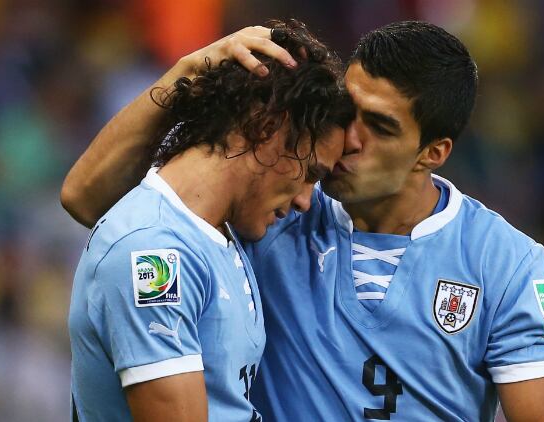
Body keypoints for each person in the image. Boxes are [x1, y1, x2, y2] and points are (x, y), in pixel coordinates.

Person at [62, 21, 544, 421]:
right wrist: (186, 73)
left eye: (381, 127)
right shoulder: (273, 198)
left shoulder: (506, 262)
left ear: (432, 153)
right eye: (351, 111)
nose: (350, 140)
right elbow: (88, 201)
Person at [66, 19, 352, 421]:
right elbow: (81, 197)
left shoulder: (220, 227)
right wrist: (186, 72)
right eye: (311, 173)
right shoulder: (154, 250)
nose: (308, 200)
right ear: (268, 128)